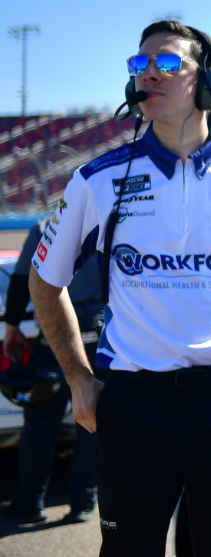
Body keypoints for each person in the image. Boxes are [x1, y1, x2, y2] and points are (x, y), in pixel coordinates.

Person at [28, 21, 211, 556]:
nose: (148, 73)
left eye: (167, 62)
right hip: (134, 403)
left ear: (210, 81)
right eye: (139, 65)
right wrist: (78, 378)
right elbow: (45, 280)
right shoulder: (96, 179)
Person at [0, 216, 102, 525]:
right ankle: (84, 502)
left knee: (42, 414)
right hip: (105, 331)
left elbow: (22, 278)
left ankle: (29, 501)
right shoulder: (115, 218)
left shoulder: (48, 224)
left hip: (61, 331)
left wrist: (13, 326)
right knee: (97, 417)